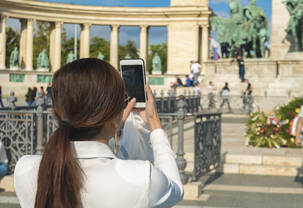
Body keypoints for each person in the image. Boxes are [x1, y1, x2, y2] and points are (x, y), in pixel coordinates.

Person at [14, 58, 183, 208]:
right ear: (112, 115)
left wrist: (114, 123)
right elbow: (175, 186)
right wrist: (154, 122)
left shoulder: (25, 169)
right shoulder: (144, 179)